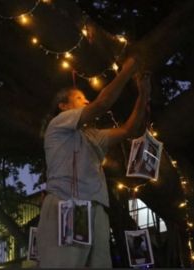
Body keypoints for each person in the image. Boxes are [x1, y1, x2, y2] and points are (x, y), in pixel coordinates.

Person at [36, 56, 151, 268]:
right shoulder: (58, 123)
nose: (86, 101)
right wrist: (127, 70)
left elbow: (128, 130)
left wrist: (143, 95)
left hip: (96, 208)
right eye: (79, 98)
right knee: (64, 264)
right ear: (63, 106)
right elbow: (102, 103)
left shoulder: (93, 135)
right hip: (67, 200)